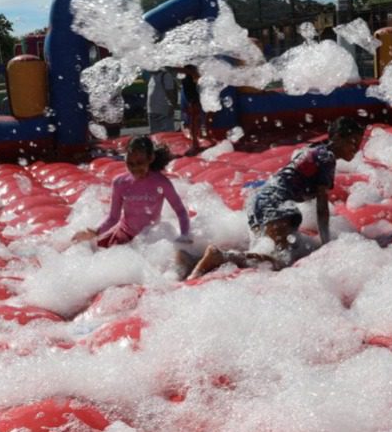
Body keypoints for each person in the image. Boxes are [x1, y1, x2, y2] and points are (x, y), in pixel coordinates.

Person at [185, 116, 365, 279]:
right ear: (338, 138)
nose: (356, 149)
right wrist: (327, 244)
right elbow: (322, 206)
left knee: (267, 252)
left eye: (359, 144)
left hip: (259, 199)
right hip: (275, 202)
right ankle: (221, 256)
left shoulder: (314, 149)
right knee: (281, 262)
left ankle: (193, 260)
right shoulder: (327, 158)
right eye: (352, 142)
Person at [73, 135, 191, 248]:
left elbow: (180, 211)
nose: (134, 168)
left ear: (151, 158)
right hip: (124, 234)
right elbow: (113, 217)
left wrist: (185, 235)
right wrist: (95, 231)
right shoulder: (120, 183)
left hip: (150, 237)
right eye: (130, 163)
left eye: (140, 163)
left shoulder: (161, 182)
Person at [177, 65, 208, 154]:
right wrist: (193, 73)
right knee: (195, 113)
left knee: (198, 113)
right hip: (190, 85)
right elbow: (178, 69)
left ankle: (198, 138)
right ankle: (195, 142)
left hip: (193, 83)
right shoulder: (184, 58)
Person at [146, 69, 179, 134]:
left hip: (162, 111)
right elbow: (169, 93)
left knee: (164, 134)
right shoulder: (153, 77)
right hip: (154, 111)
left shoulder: (165, 75)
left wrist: (172, 106)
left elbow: (170, 93)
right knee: (159, 135)